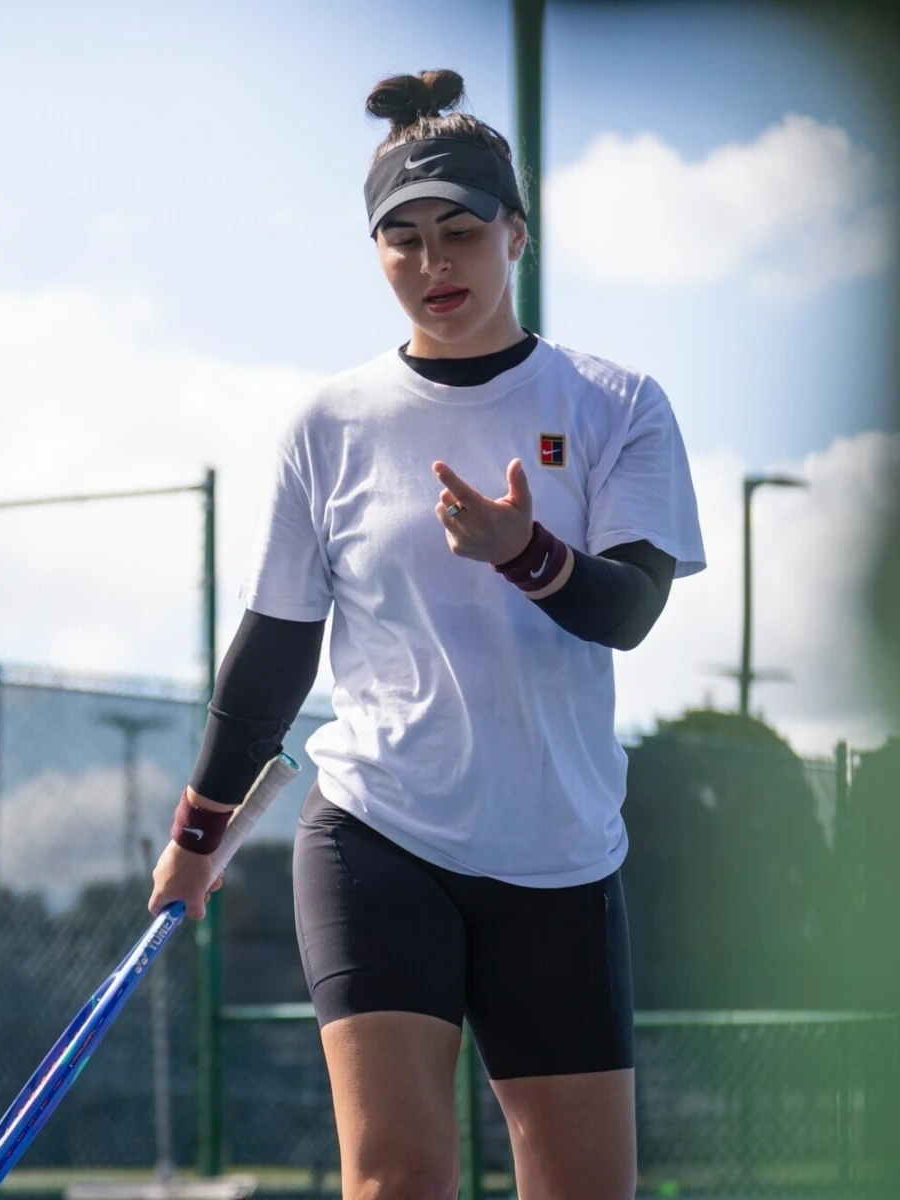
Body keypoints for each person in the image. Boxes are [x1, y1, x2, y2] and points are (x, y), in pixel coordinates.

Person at [149, 68, 706, 1200]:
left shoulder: (617, 403)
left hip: (559, 854)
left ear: (518, 234)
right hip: (377, 834)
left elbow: (632, 608)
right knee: (396, 1180)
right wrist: (198, 833)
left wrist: (527, 554)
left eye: (459, 231)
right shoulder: (329, 423)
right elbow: (273, 648)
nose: (431, 262)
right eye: (400, 239)